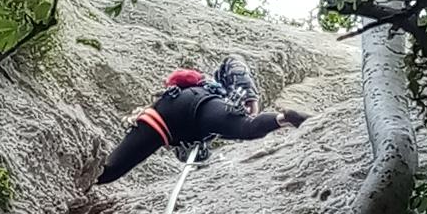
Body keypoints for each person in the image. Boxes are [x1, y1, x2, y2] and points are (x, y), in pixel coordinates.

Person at [96, 72, 308, 185]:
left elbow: (191, 155)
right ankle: (284, 118)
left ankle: (89, 167)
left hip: (160, 117)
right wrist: (251, 98)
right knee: (247, 127)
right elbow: (194, 156)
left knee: (108, 172)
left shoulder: (174, 96)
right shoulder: (212, 93)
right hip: (197, 108)